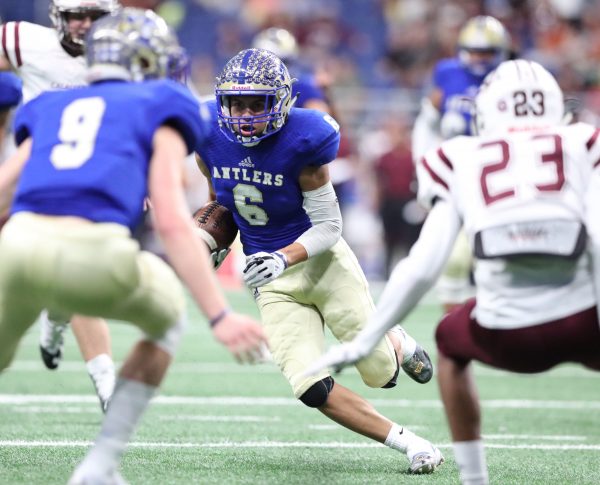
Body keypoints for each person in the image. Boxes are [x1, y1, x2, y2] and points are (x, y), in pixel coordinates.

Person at [0, 8, 268, 484]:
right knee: (169, 319)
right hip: (93, 250)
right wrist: (219, 315)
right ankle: (100, 466)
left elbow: (4, 188)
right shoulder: (160, 104)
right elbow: (170, 219)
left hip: (18, 245)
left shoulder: (52, 104)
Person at [305, 59, 600, 485]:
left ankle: (474, 477)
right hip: (582, 324)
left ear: (488, 109)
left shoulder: (461, 156)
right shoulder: (584, 142)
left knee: (450, 341)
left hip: (505, 330)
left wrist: (367, 340)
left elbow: (421, 268)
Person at [195, 47, 443, 474]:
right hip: (270, 280)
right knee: (309, 385)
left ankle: (395, 340)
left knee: (381, 373)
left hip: (321, 263)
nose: (246, 115)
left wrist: (282, 256)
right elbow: (224, 205)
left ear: (280, 102)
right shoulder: (208, 138)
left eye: (257, 104)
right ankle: (413, 444)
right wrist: (208, 242)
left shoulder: (303, 139)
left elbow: (329, 226)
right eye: (237, 103)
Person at [0, 0, 121, 411]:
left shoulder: (125, 52)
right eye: (76, 16)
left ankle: (100, 373)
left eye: (93, 17)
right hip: (31, 170)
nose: (84, 25)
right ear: (59, 16)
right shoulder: (26, 41)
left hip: (94, 177)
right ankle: (63, 330)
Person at [411, 15, 511, 313]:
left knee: (494, 259)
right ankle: (453, 329)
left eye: (487, 52)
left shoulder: (509, 77)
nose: (480, 58)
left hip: (497, 179)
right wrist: (423, 166)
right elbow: (428, 121)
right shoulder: (448, 73)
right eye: (474, 51)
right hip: (457, 178)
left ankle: (498, 323)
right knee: (453, 261)